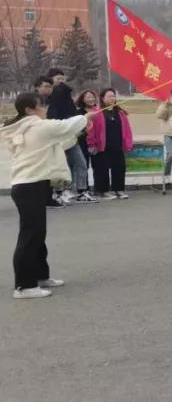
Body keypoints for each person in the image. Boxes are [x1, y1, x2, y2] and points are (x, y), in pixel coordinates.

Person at [1, 92, 92, 298]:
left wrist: (80, 128)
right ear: (29, 109)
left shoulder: (28, 128)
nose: (45, 108)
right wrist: (85, 117)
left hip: (30, 185)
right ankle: (24, 286)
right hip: (29, 185)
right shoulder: (37, 126)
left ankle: (40, 276)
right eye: (41, 105)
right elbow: (65, 126)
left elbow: (59, 142)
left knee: (37, 234)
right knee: (30, 235)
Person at [45, 69, 90, 206]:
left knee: (81, 164)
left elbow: (73, 113)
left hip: (70, 135)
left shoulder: (66, 95)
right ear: (50, 80)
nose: (61, 82)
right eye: (58, 79)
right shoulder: (50, 96)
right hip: (58, 136)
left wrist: (80, 128)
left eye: (63, 79)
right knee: (60, 165)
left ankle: (81, 191)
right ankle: (59, 192)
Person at [87, 88, 133, 200]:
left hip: (117, 145)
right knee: (102, 169)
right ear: (102, 98)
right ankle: (103, 191)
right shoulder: (96, 112)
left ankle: (119, 189)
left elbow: (127, 130)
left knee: (119, 168)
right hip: (102, 146)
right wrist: (92, 143)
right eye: (109, 96)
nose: (112, 98)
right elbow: (91, 129)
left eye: (113, 96)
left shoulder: (120, 113)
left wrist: (128, 143)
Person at [33, 77, 63, 209]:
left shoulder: (52, 100)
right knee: (38, 170)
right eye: (45, 86)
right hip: (36, 139)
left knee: (49, 170)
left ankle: (47, 198)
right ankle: (38, 198)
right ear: (37, 87)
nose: (48, 89)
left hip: (50, 137)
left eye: (50, 87)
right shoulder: (31, 100)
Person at [70, 90, 99, 203]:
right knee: (82, 166)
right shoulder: (78, 113)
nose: (91, 99)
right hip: (82, 142)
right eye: (88, 97)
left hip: (96, 143)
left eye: (92, 97)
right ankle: (82, 190)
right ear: (82, 99)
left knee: (96, 167)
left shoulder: (98, 111)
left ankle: (95, 190)